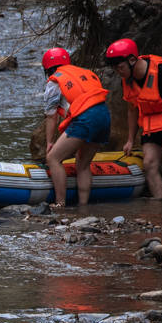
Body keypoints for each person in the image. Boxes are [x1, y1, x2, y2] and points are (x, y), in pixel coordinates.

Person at [106, 38, 162, 198]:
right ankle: (159, 206)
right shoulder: (126, 81)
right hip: (154, 118)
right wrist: (129, 139)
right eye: (115, 69)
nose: (118, 72)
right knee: (149, 164)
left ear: (132, 60)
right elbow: (132, 110)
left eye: (120, 67)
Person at [39, 47, 112, 208]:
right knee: (83, 163)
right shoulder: (83, 72)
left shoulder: (54, 81)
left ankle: (60, 203)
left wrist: (50, 143)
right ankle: (83, 206)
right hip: (104, 116)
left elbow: (51, 116)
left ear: (48, 68)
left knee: (53, 158)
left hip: (85, 118)